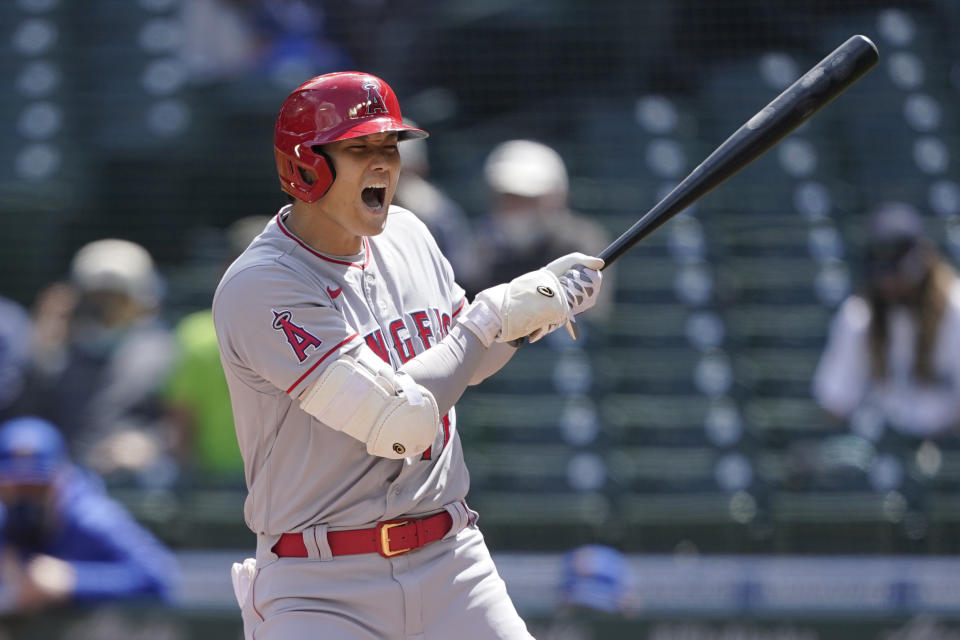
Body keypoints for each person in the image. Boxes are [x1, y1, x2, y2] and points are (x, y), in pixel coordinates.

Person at [213, 71, 605, 639]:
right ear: (305, 165)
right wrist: (492, 315)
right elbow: (400, 423)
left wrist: (531, 315)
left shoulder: (408, 234)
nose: (384, 164)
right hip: (321, 588)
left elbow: (465, 365)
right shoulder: (263, 285)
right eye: (359, 148)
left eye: (389, 146)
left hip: (452, 562)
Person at [19, 239, 178, 486]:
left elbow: (178, 424)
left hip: (135, 483)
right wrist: (42, 345)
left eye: (116, 298)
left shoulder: (161, 352)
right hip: (62, 482)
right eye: (96, 297)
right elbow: (27, 419)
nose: (104, 308)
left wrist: (147, 444)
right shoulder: (54, 354)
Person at [0, 416, 178, 613]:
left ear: (59, 480)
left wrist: (73, 580)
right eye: (15, 486)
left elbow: (159, 577)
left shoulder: (91, 517)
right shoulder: (4, 518)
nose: (25, 495)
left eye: (36, 486)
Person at [812, 202, 960, 438]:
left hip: (948, 447)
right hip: (884, 448)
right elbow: (835, 401)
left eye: (896, 271)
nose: (889, 283)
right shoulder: (860, 316)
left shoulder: (955, 308)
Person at [163, 216, 271, 486]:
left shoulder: (195, 334)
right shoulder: (309, 331)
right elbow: (182, 423)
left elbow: (180, 427)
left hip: (223, 488)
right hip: (232, 488)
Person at [468, 139, 613, 313]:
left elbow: (584, 320)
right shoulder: (481, 247)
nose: (516, 208)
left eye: (528, 199)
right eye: (508, 198)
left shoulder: (582, 243)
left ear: (558, 197)